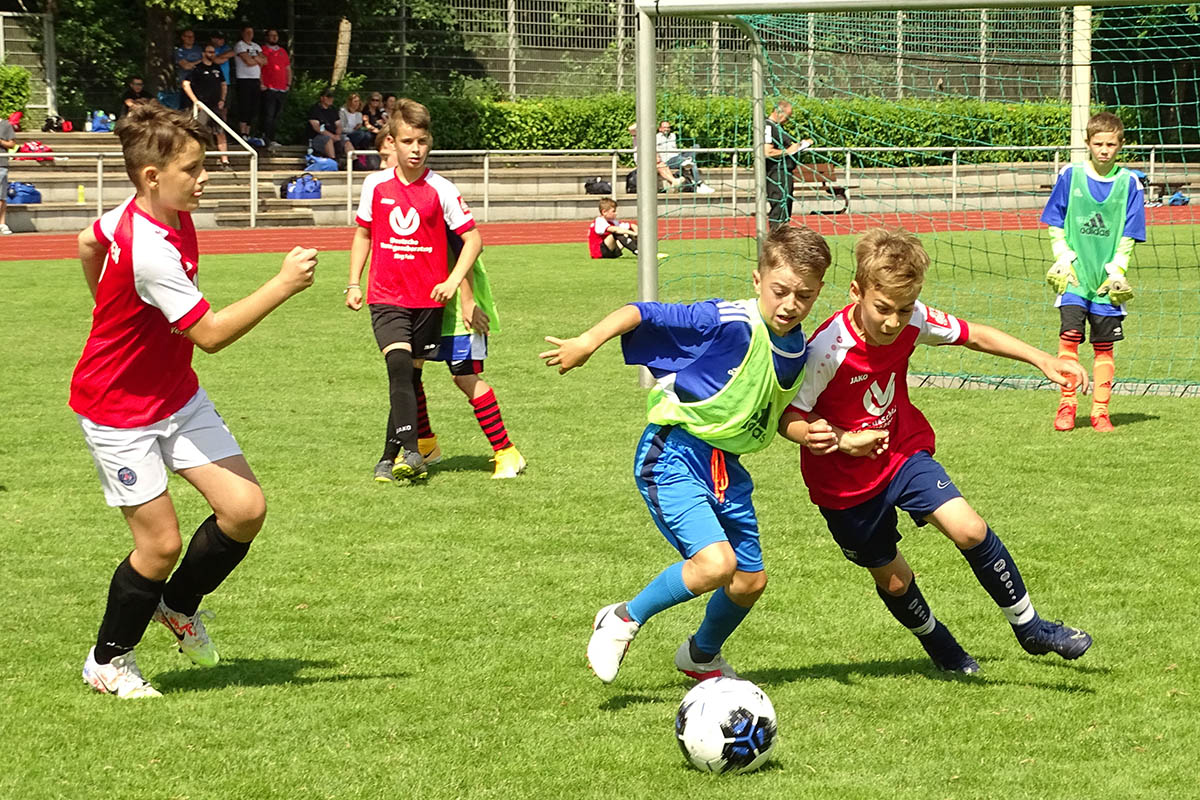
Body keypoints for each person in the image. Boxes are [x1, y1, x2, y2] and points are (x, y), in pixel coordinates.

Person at [71, 103, 318, 698]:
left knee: (245, 509)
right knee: (158, 545)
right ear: (152, 176)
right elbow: (209, 336)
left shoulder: (159, 211)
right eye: (194, 168)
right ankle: (108, 661)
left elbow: (86, 241)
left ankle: (178, 607)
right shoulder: (149, 245)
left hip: (175, 395)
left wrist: (105, 304)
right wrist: (282, 284)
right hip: (118, 408)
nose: (204, 177)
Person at [780, 227, 1094, 676]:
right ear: (856, 292)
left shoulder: (914, 319)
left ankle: (1031, 628)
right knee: (894, 579)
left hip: (901, 454)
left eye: (904, 310)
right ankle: (940, 645)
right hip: (843, 485)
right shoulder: (828, 348)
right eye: (883, 309)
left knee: (969, 528)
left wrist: (1044, 359)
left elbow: (975, 335)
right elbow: (789, 417)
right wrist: (845, 441)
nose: (893, 322)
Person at [541, 225, 832, 684]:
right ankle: (621, 618)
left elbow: (773, 417)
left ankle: (699, 656)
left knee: (749, 581)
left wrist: (809, 433)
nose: (791, 305)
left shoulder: (797, 348)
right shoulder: (725, 320)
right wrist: (586, 342)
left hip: (726, 469)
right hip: (674, 453)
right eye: (780, 291)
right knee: (716, 564)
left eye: (805, 296)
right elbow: (639, 311)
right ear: (758, 280)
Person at [345, 99, 482, 482]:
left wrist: (453, 282)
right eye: (407, 141)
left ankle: (388, 458)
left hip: (428, 300)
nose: (416, 149)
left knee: (409, 378)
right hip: (386, 296)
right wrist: (353, 282)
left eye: (422, 141)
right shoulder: (375, 184)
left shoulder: (442, 189)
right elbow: (363, 234)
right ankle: (412, 449)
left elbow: (472, 240)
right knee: (398, 365)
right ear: (392, 142)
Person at [1042, 111, 1146, 432]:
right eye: (1098, 143)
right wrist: (1062, 258)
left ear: (1121, 145)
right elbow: (1055, 223)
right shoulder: (1070, 176)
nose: (1104, 149)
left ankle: (1100, 411)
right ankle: (1067, 407)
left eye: (1111, 144)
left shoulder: (1130, 183)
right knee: (1069, 338)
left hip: (1106, 282)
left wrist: (1117, 271)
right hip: (1074, 277)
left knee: (1104, 346)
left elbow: (1129, 236)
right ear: (1087, 143)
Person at [181, 44, 232, 170]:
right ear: (204, 53)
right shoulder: (196, 68)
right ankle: (197, 161)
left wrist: (222, 99)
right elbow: (185, 84)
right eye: (209, 52)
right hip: (202, 107)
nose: (212, 54)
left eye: (213, 52)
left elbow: (223, 84)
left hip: (215, 106)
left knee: (220, 132)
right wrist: (196, 101)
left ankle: (224, 160)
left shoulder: (217, 68)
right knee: (199, 132)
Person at [763, 101, 813, 228]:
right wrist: (789, 151)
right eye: (787, 116)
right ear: (779, 112)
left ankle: (783, 237)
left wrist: (798, 146)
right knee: (779, 207)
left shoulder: (778, 127)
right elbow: (767, 151)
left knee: (785, 208)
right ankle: (776, 239)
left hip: (785, 172)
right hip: (776, 173)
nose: (788, 120)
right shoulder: (768, 127)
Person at [656, 120, 714, 193]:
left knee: (696, 147)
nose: (666, 129)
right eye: (664, 127)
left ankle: (686, 161)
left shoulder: (673, 136)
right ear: (660, 129)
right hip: (668, 160)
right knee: (692, 162)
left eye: (668, 127)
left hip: (677, 155)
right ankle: (699, 184)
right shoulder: (656, 137)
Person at [259, 28, 291, 148]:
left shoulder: (283, 51)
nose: (274, 38)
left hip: (282, 88)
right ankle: (267, 138)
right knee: (268, 115)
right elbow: (260, 68)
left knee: (276, 116)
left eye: (275, 35)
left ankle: (273, 138)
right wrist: (261, 83)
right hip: (269, 87)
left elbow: (288, 68)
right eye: (271, 35)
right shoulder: (262, 50)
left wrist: (288, 84)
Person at [232, 26, 266, 137]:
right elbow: (248, 61)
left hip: (255, 79)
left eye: (251, 32)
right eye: (247, 32)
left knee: (253, 107)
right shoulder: (240, 45)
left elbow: (265, 61)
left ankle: (248, 131)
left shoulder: (256, 46)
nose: (249, 35)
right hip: (244, 79)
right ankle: (242, 132)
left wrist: (255, 59)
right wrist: (257, 59)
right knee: (244, 105)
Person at [630, 122, 683, 190]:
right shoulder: (637, 136)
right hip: (642, 161)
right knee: (660, 166)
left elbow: (654, 150)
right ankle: (673, 181)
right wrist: (642, 122)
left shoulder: (650, 138)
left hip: (652, 160)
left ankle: (673, 183)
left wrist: (657, 157)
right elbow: (630, 129)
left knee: (663, 164)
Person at [307, 88, 343, 162]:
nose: (331, 99)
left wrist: (338, 135)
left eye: (332, 97)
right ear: (322, 98)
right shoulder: (315, 109)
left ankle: (355, 162)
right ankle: (333, 161)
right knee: (328, 139)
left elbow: (338, 125)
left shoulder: (333, 109)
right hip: (317, 136)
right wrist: (332, 136)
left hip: (333, 135)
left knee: (346, 140)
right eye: (328, 96)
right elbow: (317, 127)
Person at [174, 29, 204, 109]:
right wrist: (199, 62)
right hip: (185, 82)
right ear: (183, 37)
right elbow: (185, 66)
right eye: (188, 36)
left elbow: (204, 63)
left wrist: (191, 64)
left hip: (199, 83)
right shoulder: (179, 51)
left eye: (192, 36)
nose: (191, 38)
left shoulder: (199, 49)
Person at [0, 112, 15, 235]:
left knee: (1, 196)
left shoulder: (6, 125)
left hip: (1, 163)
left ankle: (2, 223)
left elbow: (11, 144)